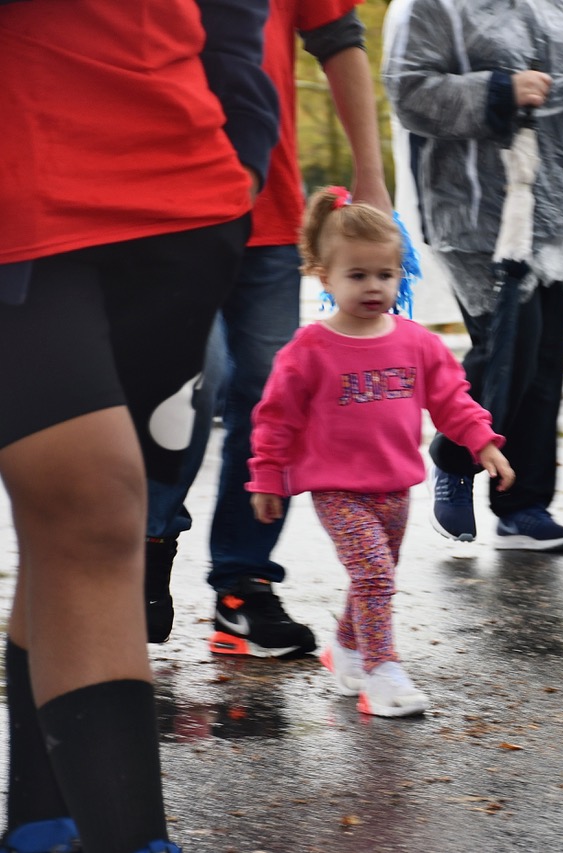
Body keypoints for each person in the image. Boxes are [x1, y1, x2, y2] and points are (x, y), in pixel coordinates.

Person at [0, 1, 277, 851]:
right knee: (94, 502)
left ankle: (41, 822)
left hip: (182, 197)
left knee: (71, 527)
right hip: (24, 177)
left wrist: (242, 156)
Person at [143, 0, 395, 658]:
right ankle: (145, 542)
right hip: (156, 206)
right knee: (197, 377)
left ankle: (242, 584)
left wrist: (370, 176)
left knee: (272, 396)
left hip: (267, 207)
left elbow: (339, 39)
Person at [383, 0, 563, 551]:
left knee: (544, 365)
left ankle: (522, 509)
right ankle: (455, 455)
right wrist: (497, 91)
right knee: (511, 352)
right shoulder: (429, 7)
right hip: (477, 213)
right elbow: (407, 91)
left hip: (554, 208)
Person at [246, 187, 515, 717]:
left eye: (385, 275)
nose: (374, 287)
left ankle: (345, 648)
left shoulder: (416, 343)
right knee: (374, 575)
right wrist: (267, 476)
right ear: (325, 277)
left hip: (395, 486)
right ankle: (381, 670)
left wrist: (482, 442)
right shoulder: (309, 350)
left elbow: (452, 400)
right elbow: (275, 419)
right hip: (336, 489)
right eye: (357, 275)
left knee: (374, 576)